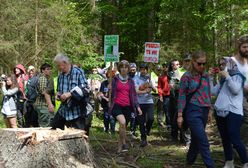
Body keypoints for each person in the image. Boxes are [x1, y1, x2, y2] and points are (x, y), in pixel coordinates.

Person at [177, 51, 215, 168]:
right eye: (199, 64)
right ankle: (210, 165)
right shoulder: (186, 77)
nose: (202, 66)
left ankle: (189, 162)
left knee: (196, 139)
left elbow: (208, 93)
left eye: (204, 64)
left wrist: (209, 110)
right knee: (203, 140)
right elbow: (182, 96)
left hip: (204, 110)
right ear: (193, 62)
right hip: (192, 110)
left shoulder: (205, 76)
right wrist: (180, 115)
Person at [210, 57, 248, 168]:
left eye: (224, 63)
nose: (221, 66)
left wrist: (227, 77)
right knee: (225, 138)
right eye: (220, 64)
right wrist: (211, 77)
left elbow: (235, 90)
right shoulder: (223, 79)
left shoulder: (239, 76)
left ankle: (245, 161)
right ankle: (229, 162)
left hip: (234, 112)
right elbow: (213, 92)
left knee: (234, 138)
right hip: (220, 111)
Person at [109, 60, 142, 153]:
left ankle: (120, 147)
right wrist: (109, 88)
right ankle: (124, 143)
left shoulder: (131, 81)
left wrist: (138, 107)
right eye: (122, 67)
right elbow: (110, 92)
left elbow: (134, 95)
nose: (124, 69)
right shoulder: (114, 79)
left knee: (122, 127)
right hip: (117, 105)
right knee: (122, 123)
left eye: (126, 67)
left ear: (128, 69)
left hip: (127, 106)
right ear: (119, 69)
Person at [52, 53, 89, 131]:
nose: (58, 68)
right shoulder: (60, 76)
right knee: (54, 129)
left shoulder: (78, 72)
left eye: (59, 65)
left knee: (78, 136)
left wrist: (70, 94)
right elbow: (59, 91)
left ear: (65, 63)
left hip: (77, 112)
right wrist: (58, 95)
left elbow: (86, 89)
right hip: (63, 111)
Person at [134, 63, 156, 147]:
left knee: (151, 119)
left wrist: (151, 86)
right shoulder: (136, 78)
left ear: (147, 70)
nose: (143, 71)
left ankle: (147, 131)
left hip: (149, 101)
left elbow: (154, 89)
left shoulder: (150, 78)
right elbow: (136, 91)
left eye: (144, 69)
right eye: (141, 69)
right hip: (140, 102)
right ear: (139, 70)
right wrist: (145, 91)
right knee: (141, 121)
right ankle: (143, 139)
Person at [99, 69, 116, 134]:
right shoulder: (104, 83)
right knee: (106, 116)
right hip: (105, 103)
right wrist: (105, 98)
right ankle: (106, 129)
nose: (109, 79)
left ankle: (113, 131)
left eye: (111, 77)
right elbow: (101, 93)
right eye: (108, 77)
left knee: (112, 117)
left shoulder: (116, 84)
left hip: (113, 103)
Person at [168, 59, 181, 141]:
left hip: (179, 97)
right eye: (173, 64)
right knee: (172, 115)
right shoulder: (169, 73)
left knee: (177, 116)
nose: (175, 66)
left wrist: (175, 86)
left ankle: (182, 136)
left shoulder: (182, 73)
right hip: (171, 97)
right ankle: (174, 135)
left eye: (176, 64)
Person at [157, 63, 170, 130]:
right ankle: (168, 125)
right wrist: (160, 95)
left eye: (166, 66)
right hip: (165, 95)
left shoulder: (171, 75)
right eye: (164, 67)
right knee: (166, 110)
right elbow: (159, 87)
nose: (165, 68)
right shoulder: (161, 76)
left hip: (173, 95)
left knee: (172, 111)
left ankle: (171, 125)